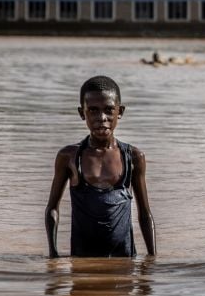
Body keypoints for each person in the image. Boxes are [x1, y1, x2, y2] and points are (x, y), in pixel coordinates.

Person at [45, 76, 156, 258]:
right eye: (93, 111)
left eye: (109, 110)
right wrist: (53, 256)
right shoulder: (70, 157)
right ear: (82, 113)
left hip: (124, 261)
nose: (102, 118)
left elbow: (145, 214)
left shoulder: (133, 157)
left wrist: (152, 259)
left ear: (120, 112)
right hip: (82, 261)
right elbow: (52, 208)